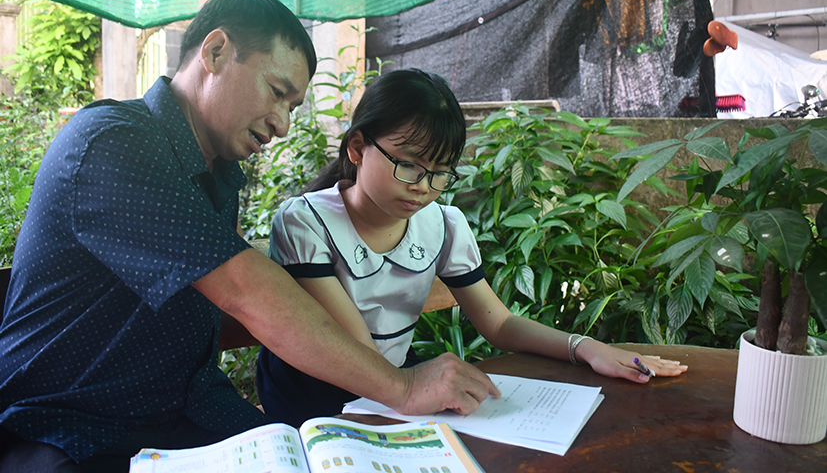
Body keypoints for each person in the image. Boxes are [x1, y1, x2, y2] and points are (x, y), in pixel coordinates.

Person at [0, 0, 498, 472]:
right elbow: (244, 290)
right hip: (65, 426)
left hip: (187, 412)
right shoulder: (113, 142)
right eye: (277, 92)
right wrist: (404, 387)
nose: (282, 123)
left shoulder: (218, 176)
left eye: (294, 106)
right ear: (215, 51)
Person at [257, 68, 689, 427]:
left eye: (441, 172)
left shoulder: (442, 225)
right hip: (314, 403)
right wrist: (411, 388)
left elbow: (498, 324)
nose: (424, 188)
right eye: (408, 165)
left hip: (392, 397)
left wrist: (589, 348)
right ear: (357, 147)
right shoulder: (306, 223)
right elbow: (358, 354)